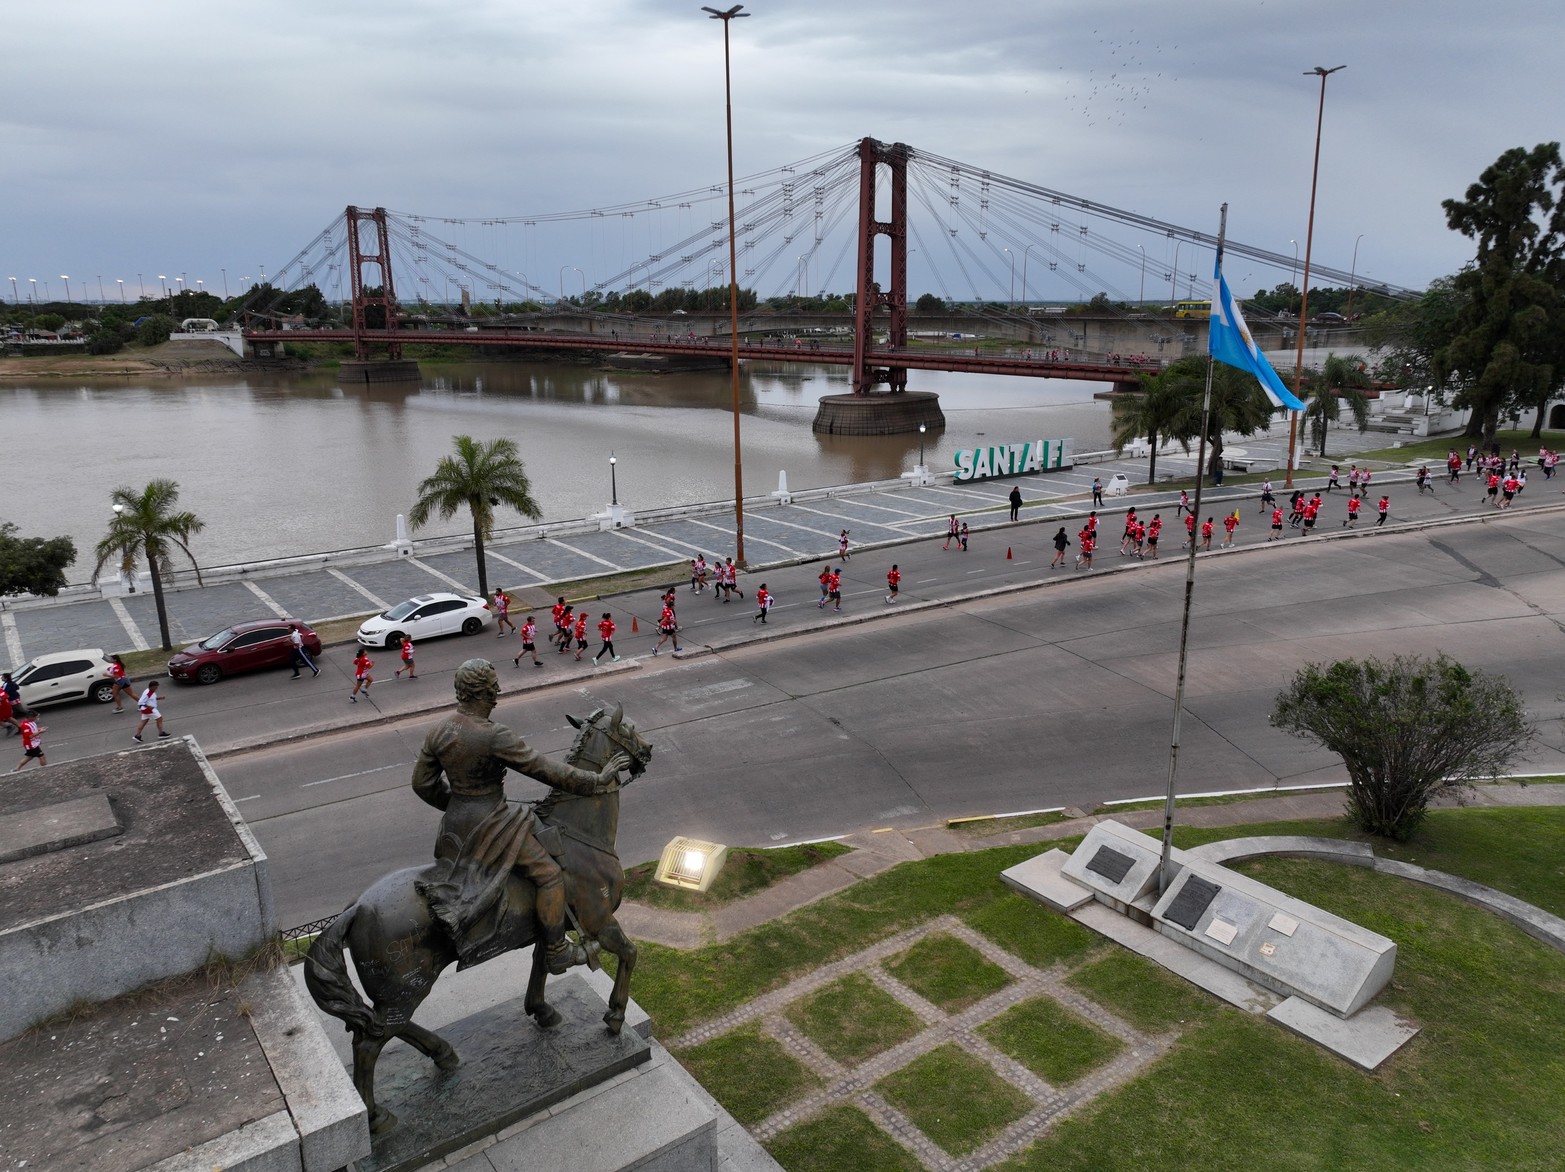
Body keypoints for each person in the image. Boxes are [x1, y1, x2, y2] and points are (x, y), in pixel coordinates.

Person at [409, 659, 630, 975]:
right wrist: (596, 779)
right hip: (492, 824)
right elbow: (545, 770)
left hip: (453, 826)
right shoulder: (494, 735)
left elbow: (422, 784)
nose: (498, 692)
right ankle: (556, 951)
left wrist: (456, 805)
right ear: (483, 692)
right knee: (550, 874)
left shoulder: (439, 729)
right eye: (494, 686)